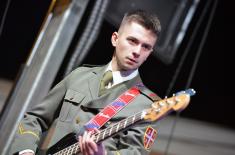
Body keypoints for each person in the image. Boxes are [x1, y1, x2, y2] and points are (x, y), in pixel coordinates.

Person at [9, 9, 162, 155]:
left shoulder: (147, 105)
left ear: (149, 53)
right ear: (115, 39)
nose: (137, 51)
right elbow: (35, 119)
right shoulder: (80, 75)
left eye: (146, 47)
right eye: (132, 41)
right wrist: (26, 150)